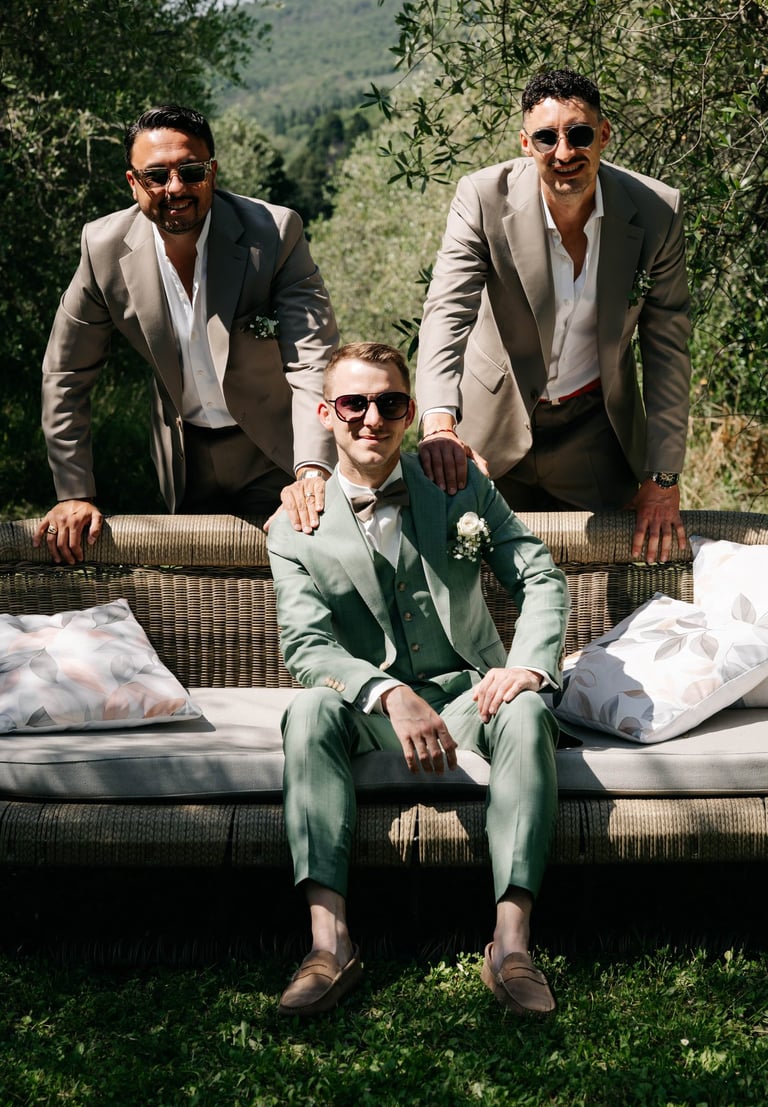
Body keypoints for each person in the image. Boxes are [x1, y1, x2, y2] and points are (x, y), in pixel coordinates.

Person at [267, 341, 569, 1018]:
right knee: (308, 712)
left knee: (526, 711)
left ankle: (511, 946)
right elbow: (307, 646)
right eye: (354, 403)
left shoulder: (457, 485)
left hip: (469, 696)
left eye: (389, 402)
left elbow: (540, 577)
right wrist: (390, 694)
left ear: (409, 414)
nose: (371, 418)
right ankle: (328, 945)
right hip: (372, 713)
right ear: (326, 413)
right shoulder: (294, 526)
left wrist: (526, 666)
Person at [34, 104, 338, 565]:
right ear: (133, 182)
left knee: (293, 572)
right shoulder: (102, 248)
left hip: (276, 454)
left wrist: (313, 469)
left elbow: (314, 361)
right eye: (156, 176)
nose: (175, 188)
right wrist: (74, 491)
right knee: (196, 596)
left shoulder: (276, 233)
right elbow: (65, 373)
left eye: (190, 171)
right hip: (183, 462)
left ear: (212, 172)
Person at [415, 68, 692, 565]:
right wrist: (439, 423)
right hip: (490, 427)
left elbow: (667, 348)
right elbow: (446, 311)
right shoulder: (482, 197)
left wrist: (663, 477)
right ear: (526, 143)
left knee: (612, 576)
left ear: (603, 135)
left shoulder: (657, 211)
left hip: (595, 433)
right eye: (547, 137)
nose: (564, 152)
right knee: (469, 571)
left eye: (579, 134)